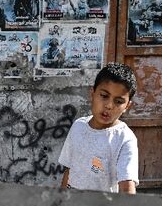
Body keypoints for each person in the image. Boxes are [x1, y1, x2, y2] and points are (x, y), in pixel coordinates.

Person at [58, 63, 139, 194]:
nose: (109, 106)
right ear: (93, 93)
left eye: (118, 101)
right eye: (104, 96)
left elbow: (127, 187)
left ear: (127, 106)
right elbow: (69, 171)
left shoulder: (124, 139)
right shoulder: (78, 127)